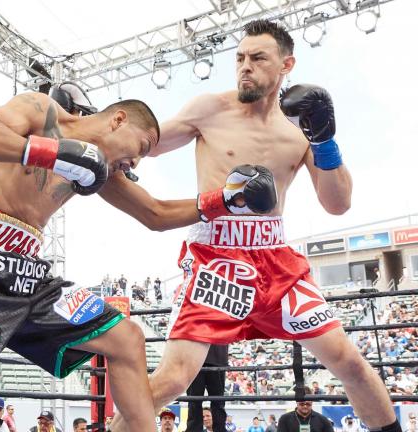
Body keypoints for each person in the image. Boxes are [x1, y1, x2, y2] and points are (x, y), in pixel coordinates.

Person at [0, 89, 268, 432]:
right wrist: (53, 153)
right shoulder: (42, 112)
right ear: (118, 120)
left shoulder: (98, 170)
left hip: (29, 276)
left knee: (125, 338)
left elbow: (155, 214)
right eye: (140, 148)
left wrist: (226, 201)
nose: (136, 162)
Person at [106, 18, 398, 432]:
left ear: (286, 64)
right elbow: (149, 143)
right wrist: (109, 145)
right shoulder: (211, 109)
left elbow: (338, 204)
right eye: (240, 58)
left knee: (349, 361)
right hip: (216, 256)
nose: (245, 66)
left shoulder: (301, 127)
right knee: (174, 378)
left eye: (258, 58)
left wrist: (325, 141)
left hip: (276, 259)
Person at [186, 344, 228, 432]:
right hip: (195, 356)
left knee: (217, 401)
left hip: (216, 357)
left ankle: (219, 429)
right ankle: (194, 430)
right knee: (194, 400)